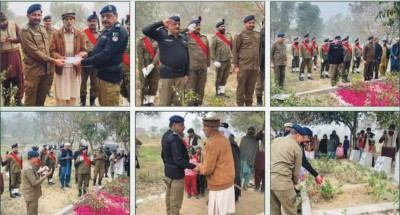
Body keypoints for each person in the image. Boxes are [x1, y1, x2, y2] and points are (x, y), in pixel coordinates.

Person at [75, 5, 128, 106]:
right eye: (102, 16)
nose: (104, 19)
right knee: (102, 103)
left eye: (108, 16)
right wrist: (87, 54)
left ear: (116, 16)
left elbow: (106, 55)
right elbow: (99, 50)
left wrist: (82, 62)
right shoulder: (106, 30)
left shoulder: (117, 32)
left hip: (110, 78)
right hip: (101, 76)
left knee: (109, 105)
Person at [19, 4, 65, 106]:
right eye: (33, 15)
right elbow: (35, 53)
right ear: (28, 15)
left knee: (41, 101)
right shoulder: (25, 31)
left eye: (39, 15)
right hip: (33, 72)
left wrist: (58, 57)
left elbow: (49, 49)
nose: (37, 17)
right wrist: (54, 61)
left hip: (46, 71)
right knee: (30, 102)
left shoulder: (42, 29)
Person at [142, 16, 188, 106]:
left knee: (178, 103)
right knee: (165, 103)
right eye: (175, 24)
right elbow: (145, 30)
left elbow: (187, 57)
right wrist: (161, 23)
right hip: (167, 76)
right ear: (169, 25)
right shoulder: (162, 35)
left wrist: (187, 74)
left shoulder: (184, 38)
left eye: (179, 24)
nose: (177, 26)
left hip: (180, 76)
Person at [197, 117, 235, 215]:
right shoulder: (224, 138)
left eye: (204, 127)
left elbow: (207, 170)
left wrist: (198, 167)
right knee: (225, 212)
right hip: (228, 182)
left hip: (219, 185)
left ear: (209, 127)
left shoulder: (211, 142)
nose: (202, 129)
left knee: (217, 212)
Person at [161, 115, 197, 215]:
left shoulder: (165, 135)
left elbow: (163, 155)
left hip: (168, 173)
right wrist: (194, 167)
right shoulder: (175, 138)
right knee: (175, 203)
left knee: (169, 199)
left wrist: (168, 165)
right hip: (176, 176)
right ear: (175, 125)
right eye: (181, 125)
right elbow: (178, 160)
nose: (183, 127)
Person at [271, 124, 305, 215]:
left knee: (273, 211)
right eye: (302, 137)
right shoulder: (297, 148)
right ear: (297, 135)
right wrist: (294, 184)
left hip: (269, 181)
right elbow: (296, 173)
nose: (302, 140)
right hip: (283, 183)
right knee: (291, 211)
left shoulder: (275, 140)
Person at [232, 15, 261, 106]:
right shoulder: (240, 36)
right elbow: (235, 51)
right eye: (249, 23)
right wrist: (236, 66)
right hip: (243, 66)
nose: (251, 25)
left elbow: (259, 51)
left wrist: (258, 65)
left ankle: (249, 105)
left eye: (253, 23)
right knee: (241, 88)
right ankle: (240, 105)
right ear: (245, 24)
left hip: (254, 67)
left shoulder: (257, 35)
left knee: (250, 88)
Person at [0, 12, 24, 106]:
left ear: (7, 19)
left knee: (18, 77)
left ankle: (18, 100)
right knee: (5, 78)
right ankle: (6, 101)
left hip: (15, 54)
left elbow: (22, 38)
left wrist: (13, 39)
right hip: (2, 56)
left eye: (4, 21)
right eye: (0, 22)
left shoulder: (14, 24)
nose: (2, 23)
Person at [186, 16, 210, 106]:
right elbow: (177, 33)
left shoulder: (204, 38)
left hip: (202, 68)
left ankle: (198, 105)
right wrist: (187, 29)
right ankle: (190, 105)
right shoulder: (186, 37)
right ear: (191, 26)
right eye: (196, 25)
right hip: (191, 68)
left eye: (199, 25)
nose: (198, 27)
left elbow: (208, 52)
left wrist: (208, 65)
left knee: (200, 88)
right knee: (190, 89)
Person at [21, 150, 53, 215]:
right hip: (31, 195)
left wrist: (38, 172)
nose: (38, 158)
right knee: (32, 212)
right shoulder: (28, 168)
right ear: (32, 158)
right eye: (37, 157)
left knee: (33, 211)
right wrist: (45, 176)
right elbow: (35, 183)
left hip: (32, 194)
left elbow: (30, 176)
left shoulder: (29, 165)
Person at [80, 11, 100, 106]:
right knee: (82, 83)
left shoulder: (101, 34)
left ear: (97, 22)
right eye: (90, 21)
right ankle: (82, 101)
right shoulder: (82, 34)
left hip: (95, 63)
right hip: (83, 63)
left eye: (94, 21)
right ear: (87, 22)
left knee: (94, 83)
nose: (92, 23)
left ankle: (92, 101)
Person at [211, 19, 233, 99]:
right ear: (217, 28)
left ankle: (222, 92)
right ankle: (217, 94)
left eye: (224, 26)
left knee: (225, 77)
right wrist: (214, 61)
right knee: (219, 78)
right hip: (220, 61)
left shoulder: (229, 35)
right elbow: (212, 50)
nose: (223, 27)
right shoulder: (215, 38)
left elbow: (232, 47)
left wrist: (232, 58)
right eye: (221, 26)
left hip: (228, 60)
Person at [137, 29, 159, 106]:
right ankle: (144, 103)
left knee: (154, 85)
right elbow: (140, 55)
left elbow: (159, 53)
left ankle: (151, 102)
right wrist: (143, 68)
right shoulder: (141, 41)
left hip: (155, 67)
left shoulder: (158, 40)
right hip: (143, 67)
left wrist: (152, 64)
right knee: (144, 86)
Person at [239, 126, 259, 190]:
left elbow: (256, 149)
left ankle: (245, 185)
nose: (250, 131)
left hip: (250, 159)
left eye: (252, 129)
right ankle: (240, 184)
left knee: (248, 173)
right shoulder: (244, 138)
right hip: (243, 158)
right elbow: (241, 148)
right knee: (241, 172)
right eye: (249, 129)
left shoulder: (255, 139)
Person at [43, 15, 56, 98]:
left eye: (49, 20)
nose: (47, 22)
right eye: (46, 21)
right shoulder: (40, 30)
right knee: (42, 73)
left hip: (51, 56)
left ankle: (48, 90)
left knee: (51, 74)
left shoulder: (55, 31)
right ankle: (42, 90)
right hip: (42, 56)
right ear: (43, 22)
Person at [120, 14, 131, 103]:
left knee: (129, 88)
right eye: (128, 24)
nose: (129, 26)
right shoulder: (121, 35)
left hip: (129, 68)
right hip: (120, 68)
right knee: (122, 89)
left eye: (130, 24)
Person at [256, 18, 265, 106]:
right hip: (260, 61)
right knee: (259, 83)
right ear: (262, 24)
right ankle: (259, 100)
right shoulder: (258, 35)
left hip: (267, 61)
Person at [254, 124, 265, 192]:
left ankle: (263, 188)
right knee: (258, 171)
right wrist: (262, 130)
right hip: (261, 153)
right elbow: (256, 137)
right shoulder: (263, 133)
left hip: (267, 154)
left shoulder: (272, 134)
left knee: (265, 172)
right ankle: (257, 186)